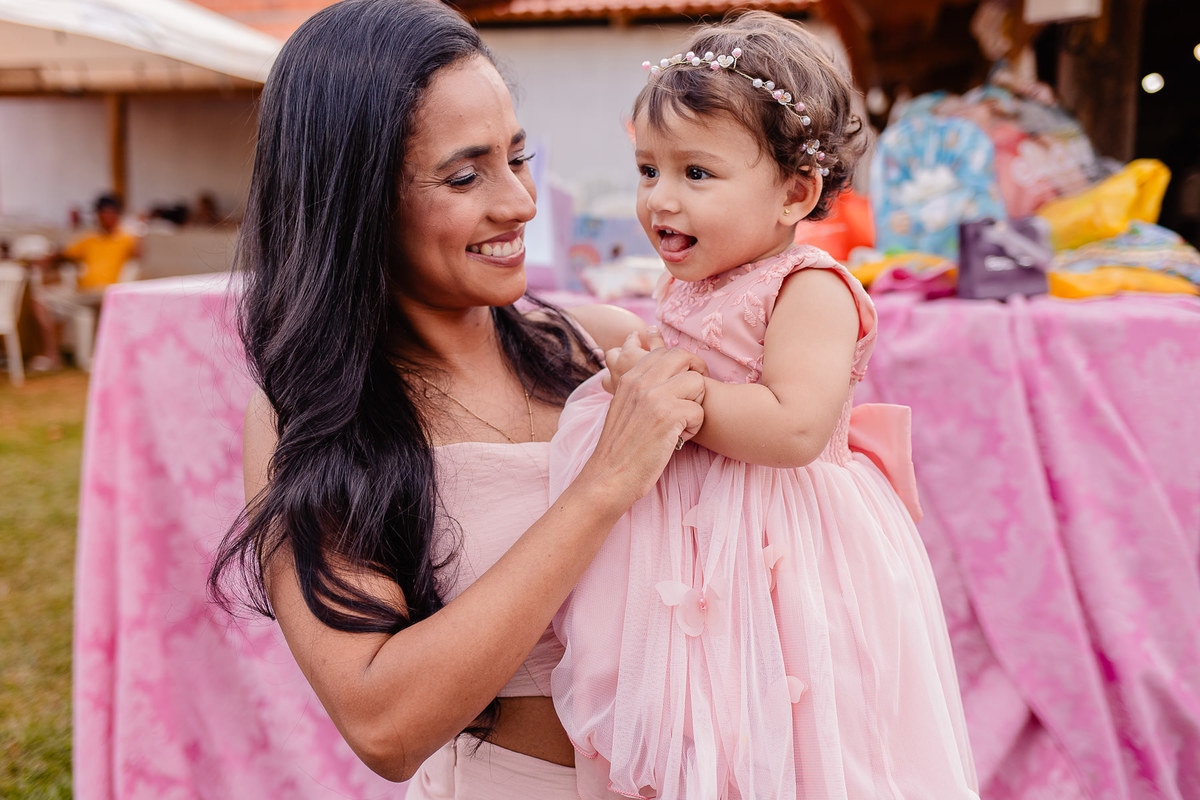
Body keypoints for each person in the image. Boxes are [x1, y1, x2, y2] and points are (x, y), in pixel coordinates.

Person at [205, 0, 707, 797]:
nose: (519, 204)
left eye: (518, 156)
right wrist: (601, 487)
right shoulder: (314, 420)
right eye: (466, 175)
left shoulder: (602, 347)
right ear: (357, 201)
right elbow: (384, 725)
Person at [548, 12, 981, 799]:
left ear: (796, 192)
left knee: (797, 721)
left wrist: (673, 394)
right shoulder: (692, 282)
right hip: (696, 547)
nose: (660, 200)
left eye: (696, 174)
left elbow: (795, 427)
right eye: (648, 171)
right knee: (704, 719)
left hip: (783, 544)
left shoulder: (807, 288)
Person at [28, 192, 140, 370]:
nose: (107, 217)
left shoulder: (127, 238)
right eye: (103, 213)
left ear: (118, 215)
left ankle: (71, 354)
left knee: (47, 299)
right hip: (83, 294)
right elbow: (64, 253)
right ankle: (53, 354)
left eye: (112, 213)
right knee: (39, 300)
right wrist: (44, 259)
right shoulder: (89, 239)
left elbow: (138, 256)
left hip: (107, 292)